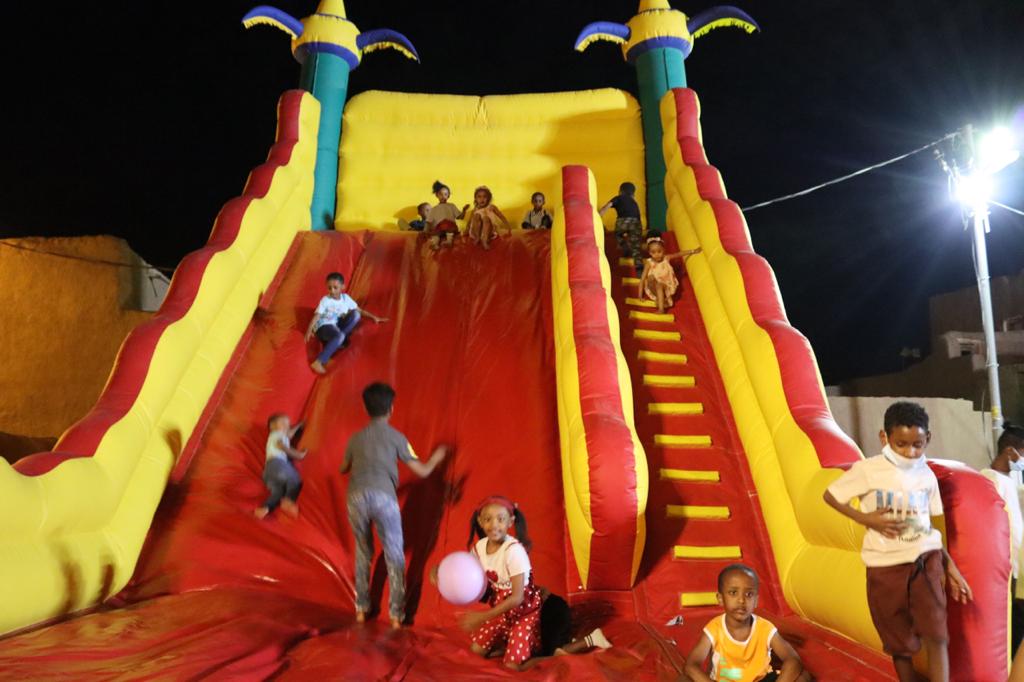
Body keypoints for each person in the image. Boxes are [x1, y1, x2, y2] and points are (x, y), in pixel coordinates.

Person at [823, 401, 973, 682]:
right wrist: (866, 519)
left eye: (917, 445)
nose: (910, 452)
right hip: (885, 566)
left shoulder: (926, 475)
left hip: (924, 561)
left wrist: (950, 567)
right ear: (885, 438)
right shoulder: (869, 470)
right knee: (898, 641)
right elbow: (830, 496)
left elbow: (928, 528)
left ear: (928, 438)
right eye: (901, 444)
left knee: (937, 634)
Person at [341, 382, 447, 629]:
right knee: (394, 553)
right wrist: (436, 458)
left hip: (355, 497)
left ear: (366, 408)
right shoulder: (397, 438)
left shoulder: (355, 439)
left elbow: (343, 468)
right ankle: (396, 615)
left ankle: (361, 608)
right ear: (391, 408)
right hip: (383, 497)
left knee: (363, 551)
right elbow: (422, 471)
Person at [458, 496, 543, 670]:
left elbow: (517, 598)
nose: (494, 525)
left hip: (524, 614)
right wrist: (440, 572)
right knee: (475, 651)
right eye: (488, 519)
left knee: (512, 666)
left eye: (500, 519)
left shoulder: (514, 551)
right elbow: (464, 571)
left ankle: (545, 656)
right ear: (480, 521)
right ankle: (508, 642)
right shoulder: (480, 548)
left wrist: (483, 617)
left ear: (510, 521)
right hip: (501, 613)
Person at [684, 564, 805, 682]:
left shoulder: (765, 628)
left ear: (756, 601)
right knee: (684, 679)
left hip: (761, 680)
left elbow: (793, 660)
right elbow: (691, 665)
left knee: (803, 676)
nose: (741, 600)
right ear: (720, 598)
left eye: (749, 594)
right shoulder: (714, 628)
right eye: (733, 592)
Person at [981, 422, 1024, 651]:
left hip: (1017, 563)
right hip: (1005, 566)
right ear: (1010, 451)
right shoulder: (990, 481)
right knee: (1014, 623)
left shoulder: (1007, 479)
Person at [304, 272, 387, 375]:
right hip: (323, 327)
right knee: (340, 335)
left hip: (334, 325)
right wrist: (309, 330)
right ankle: (318, 361)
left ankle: (338, 340)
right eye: (329, 288)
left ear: (343, 287)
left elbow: (359, 310)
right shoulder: (326, 300)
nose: (332, 291)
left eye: (335, 288)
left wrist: (374, 317)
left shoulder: (345, 298)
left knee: (356, 315)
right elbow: (317, 316)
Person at [254, 413, 306, 520]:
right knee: (294, 480)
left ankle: (265, 507)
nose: (287, 426)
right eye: (284, 423)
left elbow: (289, 434)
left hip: (268, 472)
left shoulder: (278, 435)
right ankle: (289, 500)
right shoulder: (276, 434)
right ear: (273, 427)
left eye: (288, 424)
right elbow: (281, 445)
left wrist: (298, 426)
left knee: (278, 493)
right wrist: (298, 455)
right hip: (277, 464)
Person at [638, 236, 701, 314]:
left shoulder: (666, 258)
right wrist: (640, 295)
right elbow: (642, 279)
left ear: (663, 250)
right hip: (654, 287)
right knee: (650, 278)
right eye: (653, 252)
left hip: (665, 285)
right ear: (649, 253)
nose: (657, 255)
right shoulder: (649, 263)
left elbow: (679, 254)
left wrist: (693, 251)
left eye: (659, 251)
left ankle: (661, 309)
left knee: (659, 285)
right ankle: (660, 298)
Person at [599, 182, 643, 273]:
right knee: (635, 247)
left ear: (620, 191)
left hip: (623, 222)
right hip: (636, 223)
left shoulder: (618, 198)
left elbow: (606, 207)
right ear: (633, 194)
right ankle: (639, 269)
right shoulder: (634, 202)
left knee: (618, 234)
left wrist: (598, 216)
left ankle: (624, 245)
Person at [425, 180, 468, 249]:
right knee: (435, 233)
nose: (443, 196)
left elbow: (460, 217)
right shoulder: (434, 209)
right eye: (440, 194)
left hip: (450, 226)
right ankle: (435, 244)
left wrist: (464, 210)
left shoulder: (451, 206)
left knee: (447, 225)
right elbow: (428, 221)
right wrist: (425, 231)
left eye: (445, 194)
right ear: (437, 195)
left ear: (448, 196)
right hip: (440, 227)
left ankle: (449, 241)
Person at [465, 185, 510, 250]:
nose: (482, 199)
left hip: (488, 230)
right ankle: (477, 237)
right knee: (476, 216)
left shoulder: (491, 207)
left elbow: (501, 216)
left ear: (488, 198)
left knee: (486, 218)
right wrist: (466, 230)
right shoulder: (475, 210)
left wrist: (508, 226)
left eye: (484, 197)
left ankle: (484, 240)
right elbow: (470, 221)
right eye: (479, 197)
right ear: (475, 199)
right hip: (477, 231)